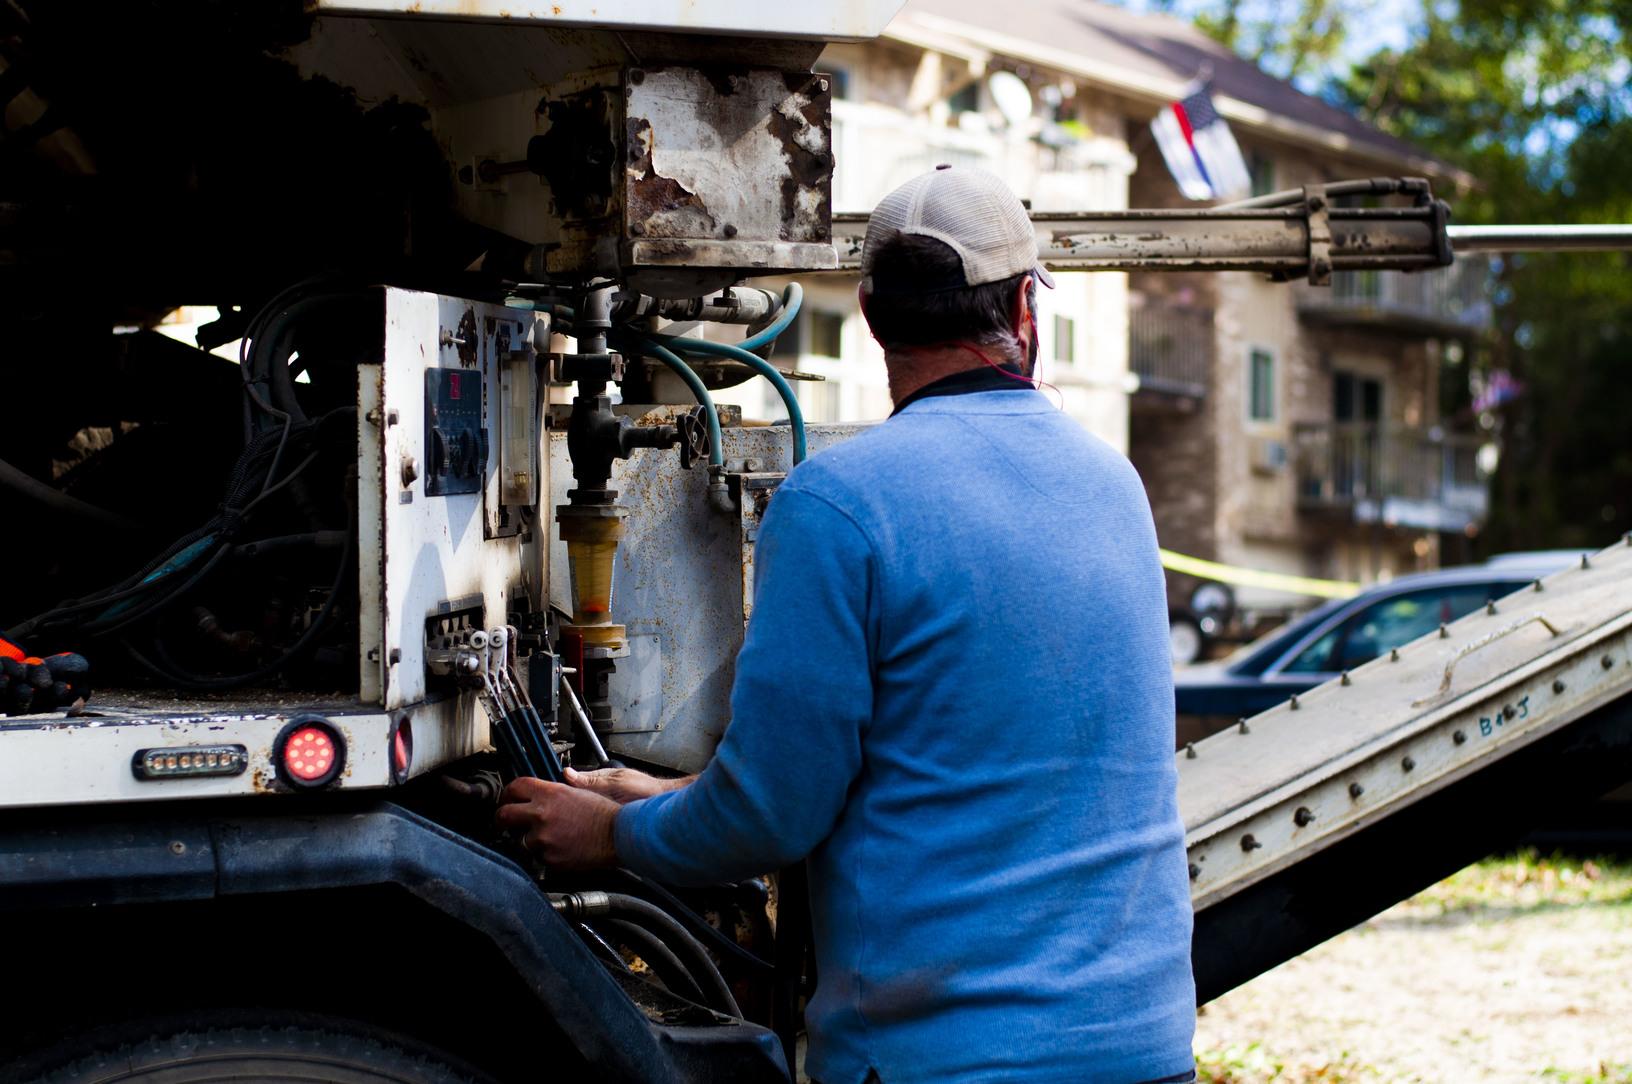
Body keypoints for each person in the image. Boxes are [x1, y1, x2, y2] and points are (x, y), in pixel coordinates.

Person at [497, 165, 1197, 1084]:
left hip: (943, 1061)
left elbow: (769, 819)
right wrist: (660, 797)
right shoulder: (1116, 484)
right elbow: (965, 763)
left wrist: (607, 835)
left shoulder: (838, 503)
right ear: (1027, 308)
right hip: (1140, 1048)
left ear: (870, 316)